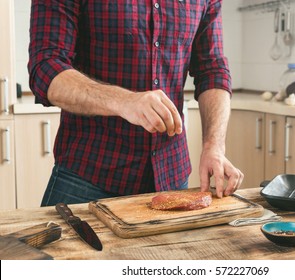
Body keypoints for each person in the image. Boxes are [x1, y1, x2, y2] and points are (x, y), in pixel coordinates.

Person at [28, 0, 243, 206]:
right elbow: (46, 67)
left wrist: (214, 145)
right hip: (87, 177)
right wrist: (124, 101)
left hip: (171, 176)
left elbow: (212, 69)